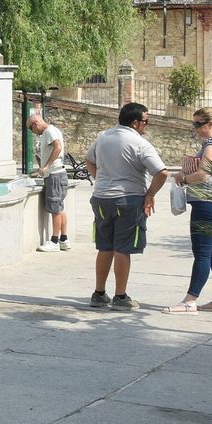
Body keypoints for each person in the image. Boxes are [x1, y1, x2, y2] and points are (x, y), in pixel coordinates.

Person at [85, 102, 169, 310]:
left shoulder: (103, 136)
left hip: (101, 198)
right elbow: (161, 172)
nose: (146, 126)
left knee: (105, 247)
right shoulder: (140, 143)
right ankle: (120, 296)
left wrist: (101, 179)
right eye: (146, 122)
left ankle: (99, 293)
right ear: (136, 122)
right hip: (128, 199)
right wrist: (149, 195)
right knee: (123, 248)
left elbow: (89, 160)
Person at [163, 107, 212, 314]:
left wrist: (182, 178)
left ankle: (190, 300)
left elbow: (204, 175)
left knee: (202, 252)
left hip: (207, 201)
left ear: (210, 124)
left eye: (198, 124)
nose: (195, 129)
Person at [28, 112, 69, 252]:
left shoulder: (49, 131)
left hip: (55, 175)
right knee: (59, 207)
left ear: (35, 124)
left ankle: (54, 241)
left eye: (30, 129)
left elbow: (58, 147)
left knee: (55, 209)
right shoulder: (50, 131)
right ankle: (64, 239)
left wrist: (46, 166)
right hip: (57, 174)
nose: (32, 132)